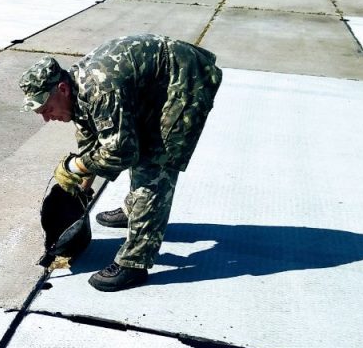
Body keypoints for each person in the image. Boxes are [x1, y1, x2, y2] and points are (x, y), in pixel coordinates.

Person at [20, 33, 223, 292]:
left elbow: (121, 153)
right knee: (126, 144)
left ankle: (135, 263)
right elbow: (92, 145)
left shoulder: (100, 89)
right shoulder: (77, 93)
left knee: (154, 166)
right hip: (152, 85)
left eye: (46, 109)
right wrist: (80, 192)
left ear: (61, 89)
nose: (46, 118)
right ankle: (132, 211)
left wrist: (74, 167)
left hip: (184, 80)